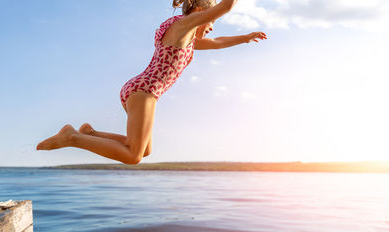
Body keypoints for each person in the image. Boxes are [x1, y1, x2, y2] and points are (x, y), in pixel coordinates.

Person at [36, 0, 267, 164]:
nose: (211, 26)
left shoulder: (186, 37)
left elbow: (217, 42)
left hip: (138, 89)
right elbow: (225, 6)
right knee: (133, 156)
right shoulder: (183, 26)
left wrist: (245, 38)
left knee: (144, 150)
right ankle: (72, 137)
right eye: (210, 21)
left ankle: (90, 133)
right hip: (145, 90)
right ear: (199, 11)